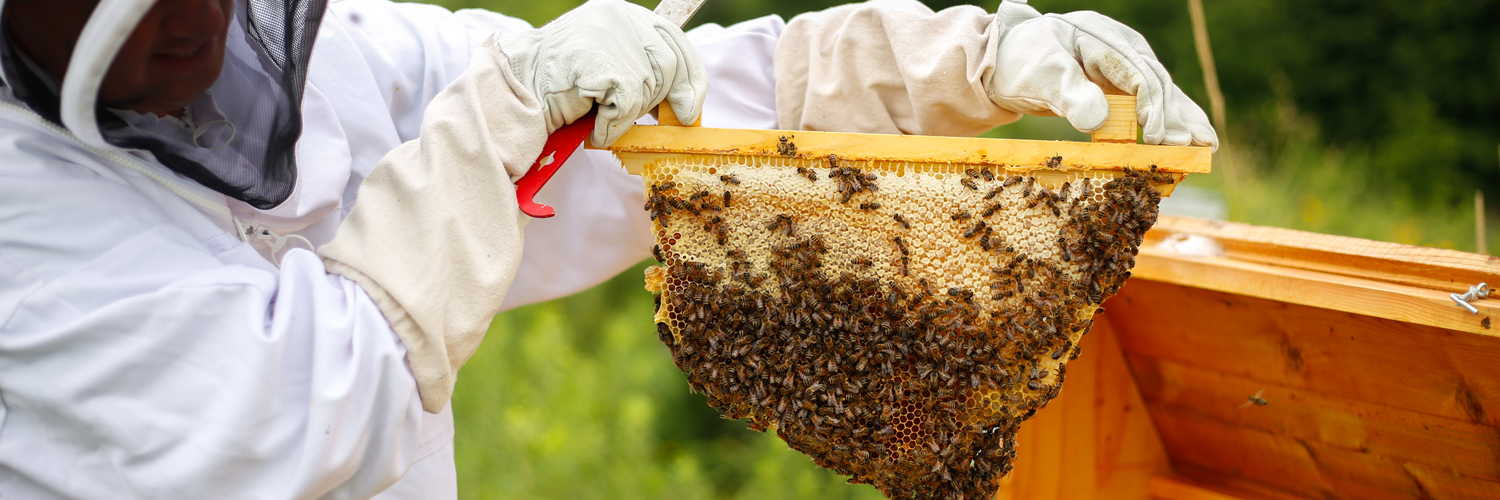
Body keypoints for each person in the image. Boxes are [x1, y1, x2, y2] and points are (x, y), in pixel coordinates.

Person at [0, 0, 1214, 497]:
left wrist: (955, 66)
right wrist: (493, 125)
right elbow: (306, 409)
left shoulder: (338, 55)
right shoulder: (23, 224)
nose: (193, 24)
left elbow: (635, 133)